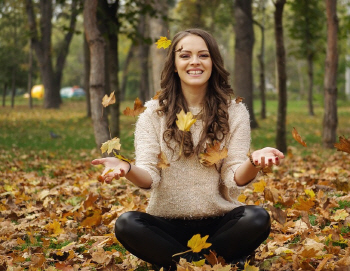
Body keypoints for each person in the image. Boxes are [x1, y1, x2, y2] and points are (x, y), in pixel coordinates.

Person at [92, 28, 284, 270]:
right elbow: (149, 177)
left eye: (203, 55)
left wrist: (254, 162)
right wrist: (127, 168)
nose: (195, 62)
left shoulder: (234, 112)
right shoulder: (153, 114)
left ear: (213, 62)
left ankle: (181, 265)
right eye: (185, 55)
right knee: (127, 223)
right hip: (168, 228)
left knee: (257, 218)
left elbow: (234, 176)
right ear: (174, 64)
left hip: (220, 225)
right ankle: (208, 264)